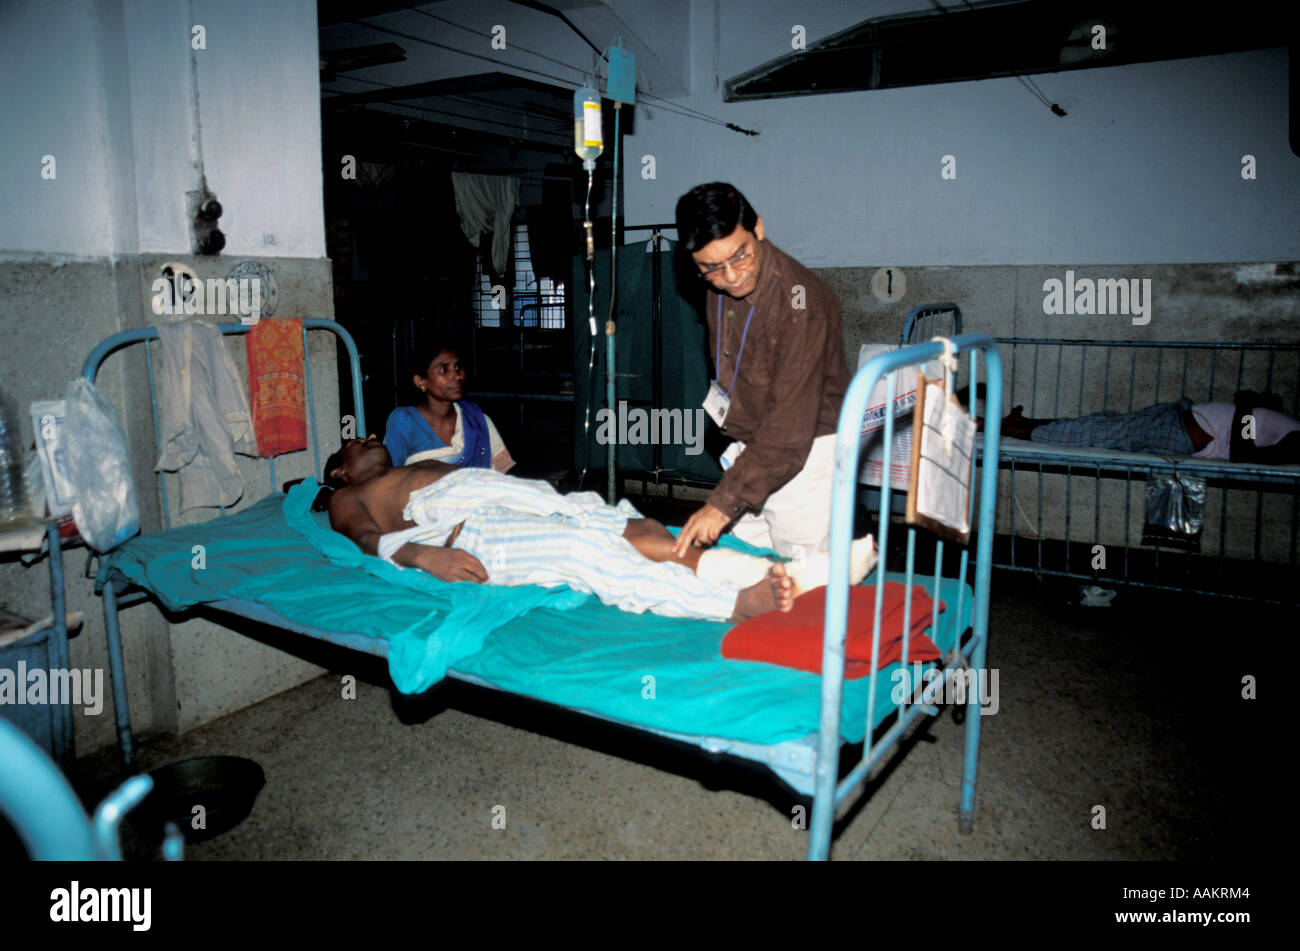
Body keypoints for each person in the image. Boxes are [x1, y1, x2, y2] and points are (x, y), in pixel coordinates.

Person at [320, 436, 878, 622]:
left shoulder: (421, 459)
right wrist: (423, 557)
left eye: (371, 433)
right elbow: (369, 542)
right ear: (338, 470)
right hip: (464, 528)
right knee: (584, 551)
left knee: (630, 526)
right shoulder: (348, 496)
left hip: (512, 497)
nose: (369, 436)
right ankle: (738, 602)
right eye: (356, 441)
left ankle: (792, 574)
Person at [670, 182, 852, 561]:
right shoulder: (717, 285)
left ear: (758, 229)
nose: (732, 276)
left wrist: (724, 503)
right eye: (712, 268)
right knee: (737, 562)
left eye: (741, 256)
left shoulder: (801, 302)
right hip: (755, 448)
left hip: (806, 452)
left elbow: (789, 429)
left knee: (804, 577)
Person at [1001, 391, 1300, 463]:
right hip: (1187, 423)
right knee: (1098, 424)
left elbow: (1248, 454)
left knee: (1093, 432)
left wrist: (1247, 407)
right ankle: (1019, 424)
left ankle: (1003, 429)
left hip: (1188, 431)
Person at [383, 345, 514, 472]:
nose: (457, 376)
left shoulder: (477, 420)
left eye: (458, 367)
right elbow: (389, 479)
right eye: (444, 370)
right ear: (420, 381)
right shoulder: (404, 421)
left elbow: (499, 477)